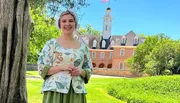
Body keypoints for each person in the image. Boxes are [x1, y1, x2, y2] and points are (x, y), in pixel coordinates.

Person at [37, 10, 93, 103]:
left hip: (77, 92)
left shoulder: (83, 47)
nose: (67, 23)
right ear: (59, 24)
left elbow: (89, 69)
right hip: (55, 92)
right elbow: (41, 68)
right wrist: (62, 67)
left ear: (75, 23)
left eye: (71, 21)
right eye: (64, 21)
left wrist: (80, 71)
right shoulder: (51, 44)